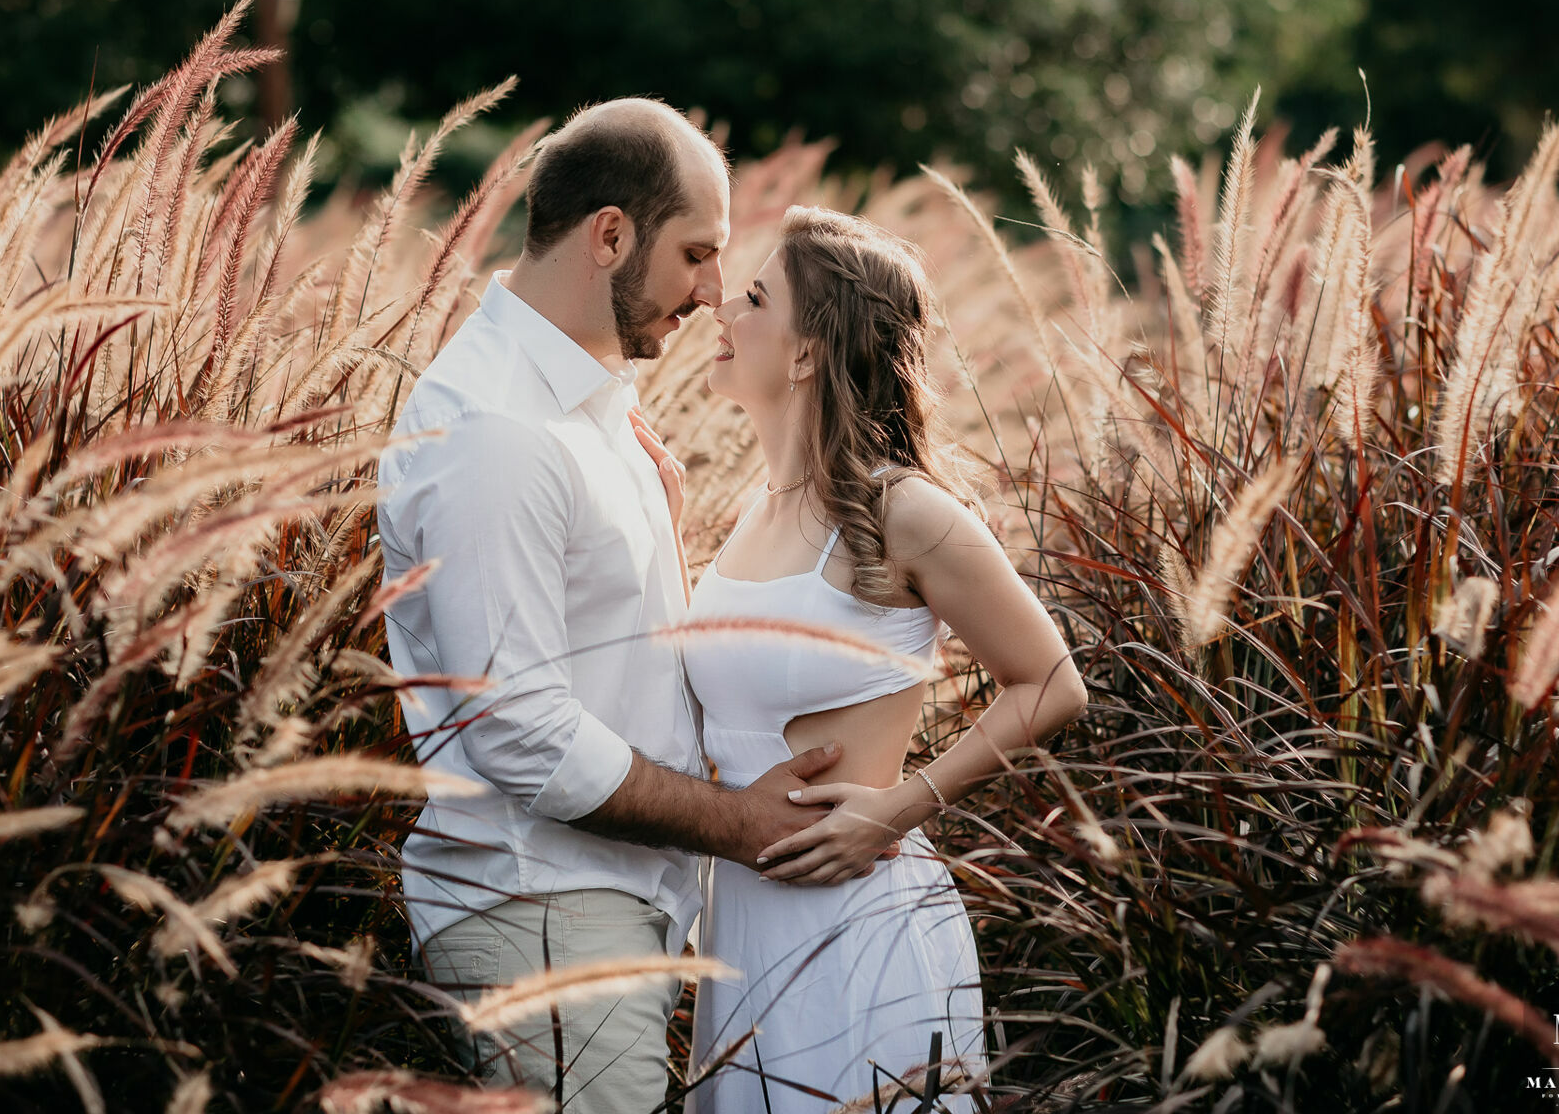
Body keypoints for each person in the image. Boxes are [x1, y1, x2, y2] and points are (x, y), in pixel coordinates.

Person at [375, 99, 852, 1112]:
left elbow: (609, 655)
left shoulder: (588, 406)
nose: (714, 292)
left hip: (597, 910)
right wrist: (737, 822)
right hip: (544, 915)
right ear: (608, 235)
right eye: (697, 253)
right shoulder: (499, 428)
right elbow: (522, 732)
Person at [637, 205, 1088, 1111]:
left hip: (859, 925)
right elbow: (727, 681)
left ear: (807, 351)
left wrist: (897, 810)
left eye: (756, 297)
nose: (722, 307)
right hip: (746, 932)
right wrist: (665, 525)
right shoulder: (755, 512)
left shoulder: (903, 512)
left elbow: (1051, 683)